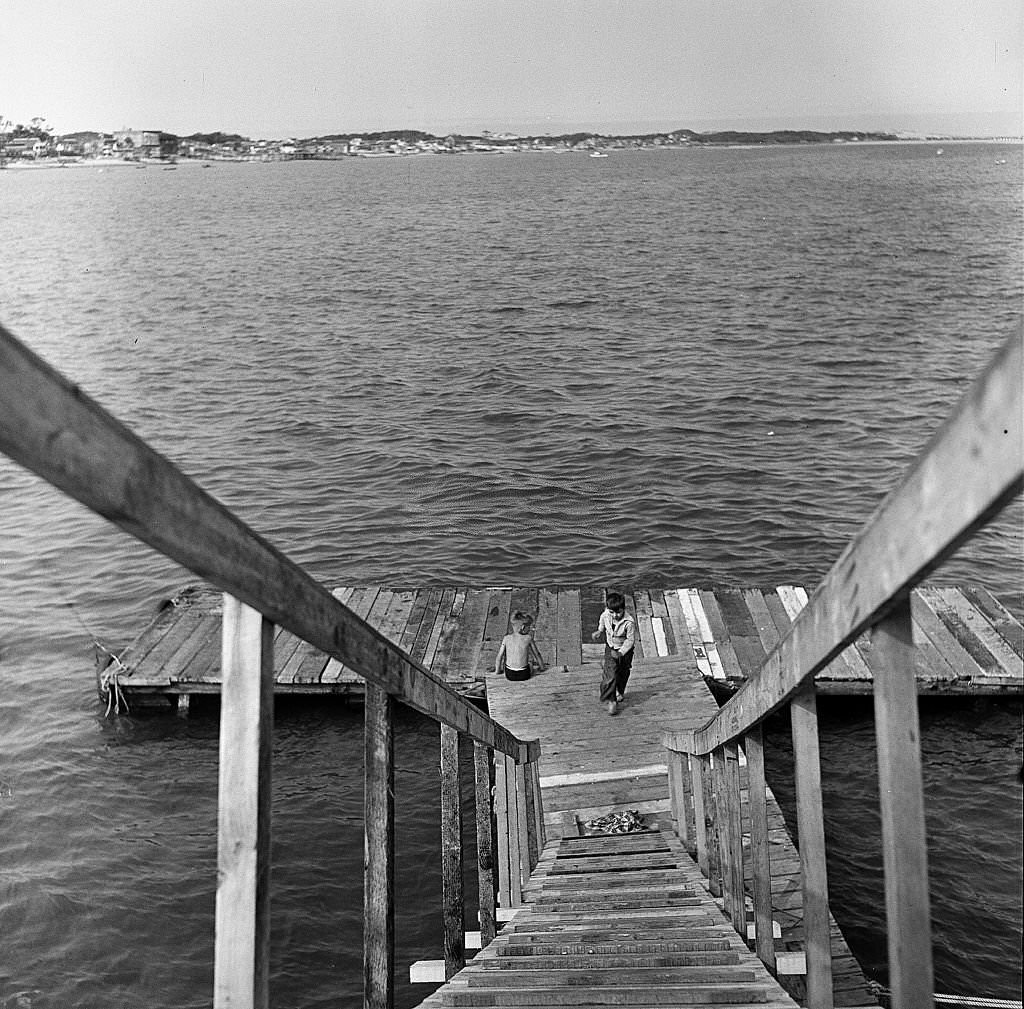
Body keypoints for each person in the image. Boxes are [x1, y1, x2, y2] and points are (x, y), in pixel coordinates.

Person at [591, 591, 636, 715]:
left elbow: (630, 640)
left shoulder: (629, 622)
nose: (615, 615)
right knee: (610, 675)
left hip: (624, 651)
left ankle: (619, 691)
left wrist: (621, 653)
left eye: (618, 612)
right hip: (611, 648)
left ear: (623, 609)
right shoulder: (606, 614)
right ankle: (611, 700)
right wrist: (599, 631)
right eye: (612, 612)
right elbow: (602, 622)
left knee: (623, 672)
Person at [495, 610, 546, 681]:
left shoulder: (506, 638)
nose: (530, 629)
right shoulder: (528, 638)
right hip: (524, 674)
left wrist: (497, 671)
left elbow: (499, 656)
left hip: (509, 674)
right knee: (530, 663)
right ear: (523, 627)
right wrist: (542, 668)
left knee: (507, 663)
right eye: (529, 627)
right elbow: (537, 654)